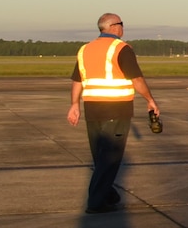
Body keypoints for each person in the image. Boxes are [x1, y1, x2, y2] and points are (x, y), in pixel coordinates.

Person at [66, 13, 161, 213]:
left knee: (100, 155)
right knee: (110, 156)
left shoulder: (85, 49)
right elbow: (136, 79)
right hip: (115, 108)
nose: (123, 28)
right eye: (122, 24)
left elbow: (77, 80)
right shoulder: (121, 49)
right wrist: (150, 100)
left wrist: (74, 105)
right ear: (114, 27)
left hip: (92, 109)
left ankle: (108, 194)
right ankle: (96, 202)